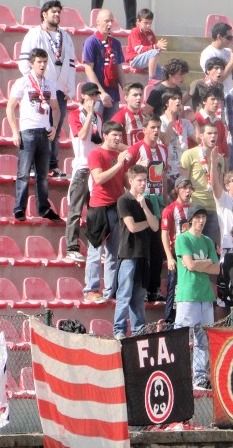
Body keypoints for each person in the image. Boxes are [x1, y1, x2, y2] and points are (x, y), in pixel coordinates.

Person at [18, 0, 76, 178]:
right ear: (44, 14)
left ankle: (52, 164)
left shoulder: (65, 36)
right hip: (40, 89)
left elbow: (71, 64)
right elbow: (24, 62)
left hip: (59, 90)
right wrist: (34, 84)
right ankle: (36, 166)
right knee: (39, 129)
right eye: (53, 12)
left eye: (59, 12)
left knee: (55, 130)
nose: (57, 15)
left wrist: (71, 89)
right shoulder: (34, 34)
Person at [6, 48, 63, 223]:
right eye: (39, 62)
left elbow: (56, 108)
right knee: (23, 172)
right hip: (28, 131)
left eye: (45, 62)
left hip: (45, 133)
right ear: (31, 63)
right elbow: (10, 107)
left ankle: (43, 208)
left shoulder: (50, 84)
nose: (42, 65)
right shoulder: (22, 82)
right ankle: (19, 208)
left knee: (43, 175)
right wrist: (15, 132)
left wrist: (54, 126)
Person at [174, 204, 220, 390]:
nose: (201, 221)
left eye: (203, 217)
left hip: (205, 296)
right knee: (182, 337)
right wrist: (207, 262)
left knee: (202, 340)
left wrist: (200, 264)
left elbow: (216, 269)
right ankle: (179, 374)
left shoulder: (208, 241)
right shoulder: (183, 239)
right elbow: (190, 265)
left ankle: (199, 377)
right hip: (188, 296)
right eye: (198, 217)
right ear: (191, 219)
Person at [83, 121, 129, 302]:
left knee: (113, 253)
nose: (118, 138)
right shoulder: (96, 153)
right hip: (99, 207)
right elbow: (99, 178)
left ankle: (111, 290)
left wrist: (136, 169)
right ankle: (91, 289)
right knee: (96, 251)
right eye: (114, 135)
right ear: (105, 135)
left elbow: (125, 183)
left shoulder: (119, 157)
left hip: (117, 207)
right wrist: (118, 165)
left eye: (120, 135)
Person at [114, 164, 159, 338]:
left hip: (143, 255)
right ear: (131, 181)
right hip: (128, 253)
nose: (143, 184)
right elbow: (132, 227)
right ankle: (119, 330)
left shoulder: (146, 201)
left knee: (138, 298)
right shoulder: (123, 200)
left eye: (145, 180)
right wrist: (148, 222)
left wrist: (145, 208)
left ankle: (138, 331)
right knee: (124, 295)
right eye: (139, 180)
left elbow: (155, 227)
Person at [126, 115, 167, 302]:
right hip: (141, 200)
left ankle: (153, 288)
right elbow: (123, 169)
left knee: (158, 248)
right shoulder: (136, 149)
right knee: (143, 246)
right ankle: (139, 288)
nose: (156, 131)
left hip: (157, 200)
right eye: (153, 127)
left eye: (158, 127)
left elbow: (163, 176)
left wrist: (164, 198)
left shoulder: (163, 149)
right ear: (144, 130)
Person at [64, 82, 103, 262]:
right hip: (81, 168)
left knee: (95, 211)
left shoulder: (99, 118)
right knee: (76, 209)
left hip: (95, 169)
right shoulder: (75, 114)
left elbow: (99, 142)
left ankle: (95, 247)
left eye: (96, 95)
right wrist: (88, 116)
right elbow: (81, 135)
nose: (94, 98)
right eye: (91, 95)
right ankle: (71, 246)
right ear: (84, 96)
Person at [179, 122, 225, 246]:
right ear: (201, 136)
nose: (213, 136)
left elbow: (220, 184)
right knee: (194, 245)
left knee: (211, 247)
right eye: (209, 133)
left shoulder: (219, 158)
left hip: (214, 208)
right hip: (196, 206)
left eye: (215, 133)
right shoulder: (189, 155)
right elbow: (183, 183)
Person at [160, 177, 192, 323]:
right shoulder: (170, 210)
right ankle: (169, 321)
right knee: (175, 287)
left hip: (191, 254)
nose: (188, 191)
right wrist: (169, 257)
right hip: (176, 254)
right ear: (177, 190)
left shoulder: (194, 209)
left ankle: (186, 319)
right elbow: (164, 234)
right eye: (184, 188)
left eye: (190, 188)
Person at [83, 9, 125, 121]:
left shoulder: (116, 43)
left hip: (113, 93)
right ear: (97, 22)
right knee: (96, 129)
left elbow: (119, 68)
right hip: (96, 95)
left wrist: (126, 89)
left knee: (112, 129)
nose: (110, 24)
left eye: (111, 21)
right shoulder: (91, 42)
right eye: (106, 21)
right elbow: (88, 69)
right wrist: (101, 93)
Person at [159, 88, 195, 184]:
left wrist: (194, 120)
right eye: (174, 98)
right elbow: (165, 141)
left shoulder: (185, 122)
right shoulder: (160, 121)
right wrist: (171, 122)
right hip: (167, 170)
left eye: (179, 98)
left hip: (183, 168)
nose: (178, 101)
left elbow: (199, 140)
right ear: (166, 103)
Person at [200, 22, 233, 93]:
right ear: (219, 37)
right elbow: (219, 79)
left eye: (231, 37)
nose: (230, 40)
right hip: (217, 95)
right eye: (228, 38)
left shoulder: (228, 51)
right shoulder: (207, 53)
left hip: (229, 94)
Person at [125, 9, 167, 81]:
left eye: (150, 23)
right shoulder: (135, 32)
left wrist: (159, 49)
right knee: (154, 52)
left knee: (165, 74)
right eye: (145, 23)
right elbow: (139, 49)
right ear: (138, 22)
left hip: (147, 61)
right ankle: (151, 79)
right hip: (135, 60)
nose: (148, 25)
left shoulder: (150, 33)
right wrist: (156, 47)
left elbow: (154, 49)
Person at [194, 86, 228, 158]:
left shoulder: (219, 123)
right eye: (212, 99)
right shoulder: (195, 120)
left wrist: (226, 167)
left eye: (218, 99)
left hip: (218, 163)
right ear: (204, 101)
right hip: (200, 162)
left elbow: (224, 148)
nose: (216, 102)